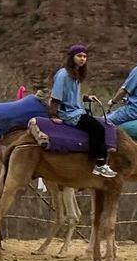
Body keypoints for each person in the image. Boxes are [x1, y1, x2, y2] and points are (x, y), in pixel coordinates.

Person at [48, 45, 116, 178]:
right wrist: (53, 114)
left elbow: (72, 96)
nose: (82, 59)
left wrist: (86, 98)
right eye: (79, 56)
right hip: (69, 114)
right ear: (72, 57)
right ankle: (100, 164)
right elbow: (56, 96)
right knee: (98, 129)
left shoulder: (75, 74)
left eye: (84, 56)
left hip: (77, 110)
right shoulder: (63, 74)